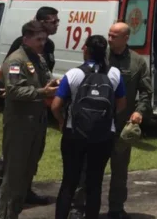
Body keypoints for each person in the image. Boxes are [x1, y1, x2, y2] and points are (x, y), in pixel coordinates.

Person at [0, 7, 59, 212]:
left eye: (43, 39)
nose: (43, 43)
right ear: (26, 39)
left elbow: (42, 78)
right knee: (13, 171)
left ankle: (19, 202)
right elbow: (14, 90)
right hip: (20, 121)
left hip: (36, 119)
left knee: (28, 166)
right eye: (38, 40)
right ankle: (2, 210)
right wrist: (43, 91)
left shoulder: (38, 56)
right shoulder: (17, 59)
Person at [51, 35, 127, 219]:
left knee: (69, 182)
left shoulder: (74, 74)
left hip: (74, 134)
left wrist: (62, 121)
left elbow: (55, 106)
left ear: (86, 50)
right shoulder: (115, 74)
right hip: (103, 136)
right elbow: (122, 105)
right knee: (95, 183)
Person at [105, 21, 153, 219]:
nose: (109, 39)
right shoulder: (100, 56)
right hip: (97, 124)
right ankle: (82, 208)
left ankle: (116, 209)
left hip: (121, 125)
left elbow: (146, 91)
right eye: (109, 34)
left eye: (114, 36)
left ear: (126, 38)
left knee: (119, 170)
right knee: (89, 169)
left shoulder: (137, 62)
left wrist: (140, 111)